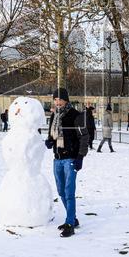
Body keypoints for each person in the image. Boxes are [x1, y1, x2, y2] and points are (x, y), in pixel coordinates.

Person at [46, 88, 82, 237]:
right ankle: (72, 218)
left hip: (71, 159)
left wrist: (79, 157)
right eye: (55, 100)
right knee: (61, 191)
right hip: (57, 159)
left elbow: (83, 138)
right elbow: (51, 134)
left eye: (60, 99)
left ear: (66, 100)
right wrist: (49, 141)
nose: (57, 102)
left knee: (68, 192)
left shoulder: (75, 115)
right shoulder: (54, 115)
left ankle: (69, 224)